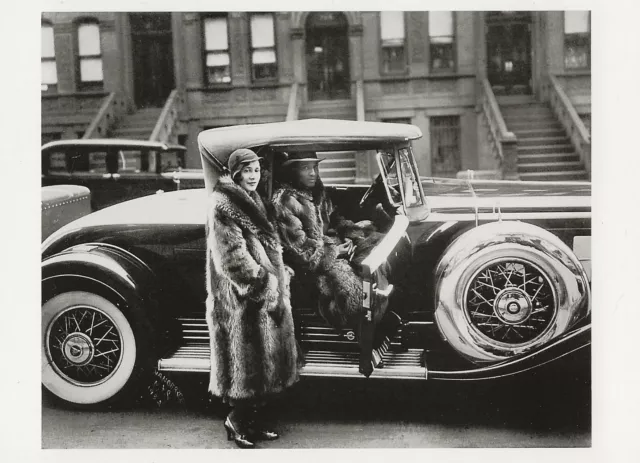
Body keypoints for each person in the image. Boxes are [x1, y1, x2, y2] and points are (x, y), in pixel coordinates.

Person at [205, 148, 299, 448]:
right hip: (240, 298)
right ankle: (236, 421)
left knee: (263, 362)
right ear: (235, 173)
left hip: (260, 294)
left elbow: (264, 246)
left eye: (256, 171)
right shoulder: (224, 205)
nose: (253, 176)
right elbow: (232, 260)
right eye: (247, 171)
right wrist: (266, 285)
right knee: (244, 365)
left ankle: (252, 422)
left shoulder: (254, 200)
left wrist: (279, 271)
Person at [271, 151, 388, 331]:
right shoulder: (285, 200)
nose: (313, 173)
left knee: (378, 243)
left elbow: (335, 219)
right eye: (305, 168)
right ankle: (353, 328)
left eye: (315, 167)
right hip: (311, 265)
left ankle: (380, 315)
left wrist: (352, 234)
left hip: (333, 246)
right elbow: (301, 250)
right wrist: (335, 251)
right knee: (353, 294)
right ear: (293, 171)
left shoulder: (317, 192)